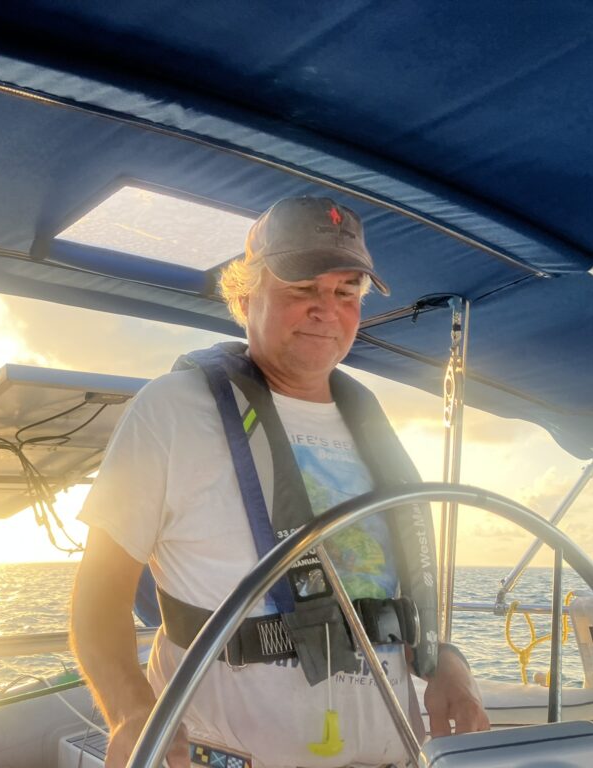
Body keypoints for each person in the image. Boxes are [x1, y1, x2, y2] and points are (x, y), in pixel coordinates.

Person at [70, 197, 489, 768]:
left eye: (346, 293)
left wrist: (449, 668)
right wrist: (132, 711)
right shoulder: (169, 411)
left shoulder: (371, 424)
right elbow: (97, 598)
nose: (326, 309)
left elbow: (392, 599)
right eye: (301, 289)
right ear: (244, 298)